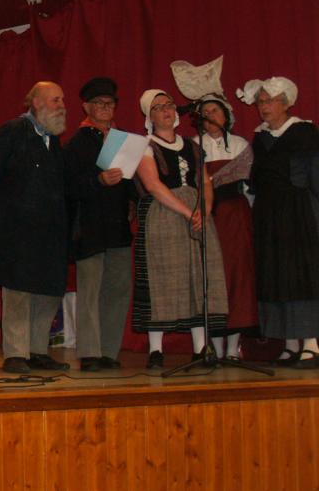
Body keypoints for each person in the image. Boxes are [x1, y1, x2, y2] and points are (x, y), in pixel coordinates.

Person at [131, 89, 228, 368]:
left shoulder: (193, 145)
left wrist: (205, 209)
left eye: (169, 105)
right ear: (149, 115)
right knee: (163, 279)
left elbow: (205, 181)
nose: (166, 110)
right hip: (164, 214)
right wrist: (188, 211)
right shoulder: (145, 145)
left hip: (196, 213)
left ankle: (200, 348)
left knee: (197, 277)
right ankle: (155, 350)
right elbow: (153, 185)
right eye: (158, 107)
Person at [0, 82, 71, 374]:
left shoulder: (53, 141)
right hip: (17, 230)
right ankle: (16, 353)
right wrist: (7, 216)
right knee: (18, 292)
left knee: (48, 292)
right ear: (37, 104)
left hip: (50, 231)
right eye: (56, 100)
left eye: (62, 100)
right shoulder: (11, 132)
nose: (62, 105)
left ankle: (37, 350)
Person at [239, 76, 319, 367]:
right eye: (260, 101)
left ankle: (311, 342)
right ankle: (288, 343)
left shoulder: (304, 133)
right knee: (276, 273)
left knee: (302, 273)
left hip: (298, 212)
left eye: (269, 100)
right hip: (269, 213)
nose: (263, 106)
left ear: (285, 102)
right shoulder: (260, 139)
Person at [62, 76, 131, 372]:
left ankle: (109, 350)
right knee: (90, 290)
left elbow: (130, 180)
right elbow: (68, 187)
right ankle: (89, 352)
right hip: (88, 225)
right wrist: (98, 180)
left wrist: (132, 203)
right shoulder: (77, 143)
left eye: (110, 103)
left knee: (117, 289)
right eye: (99, 103)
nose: (105, 108)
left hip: (117, 226)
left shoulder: (123, 140)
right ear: (86, 106)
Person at [195, 95, 257, 359]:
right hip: (209, 215)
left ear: (226, 114)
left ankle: (233, 349)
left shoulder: (241, 144)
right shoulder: (194, 146)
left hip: (235, 216)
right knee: (212, 279)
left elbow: (249, 185)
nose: (210, 115)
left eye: (215, 110)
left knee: (237, 277)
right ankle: (215, 348)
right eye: (205, 112)